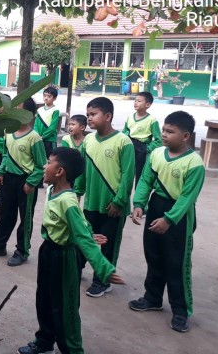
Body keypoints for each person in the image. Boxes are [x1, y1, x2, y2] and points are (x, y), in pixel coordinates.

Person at [17, 147, 124, 354]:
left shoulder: (68, 200)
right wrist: (85, 231)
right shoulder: (51, 190)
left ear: (60, 172)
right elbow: (76, 224)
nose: (44, 166)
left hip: (64, 257)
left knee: (65, 307)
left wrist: (104, 269)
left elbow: (80, 231)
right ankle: (45, 342)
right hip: (47, 250)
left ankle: (73, 350)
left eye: (48, 162)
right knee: (44, 299)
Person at [129, 111, 205, 333]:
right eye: (163, 130)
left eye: (170, 132)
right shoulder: (156, 154)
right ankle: (152, 298)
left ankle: (181, 311)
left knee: (177, 263)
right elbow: (145, 179)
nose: (164, 134)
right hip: (156, 206)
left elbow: (187, 198)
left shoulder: (194, 163)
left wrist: (169, 220)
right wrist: (139, 204)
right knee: (153, 255)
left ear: (185, 136)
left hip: (179, 215)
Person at [74, 97, 134, 298]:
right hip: (92, 202)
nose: (89, 118)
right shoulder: (88, 140)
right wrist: (77, 192)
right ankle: (76, 271)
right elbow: (81, 170)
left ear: (108, 116)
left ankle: (102, 280)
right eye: (88, 114)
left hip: (113, 206)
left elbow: (127, 175)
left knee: (108, 244)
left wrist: (119, 201)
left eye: (93, 114)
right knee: (86, 239)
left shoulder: (123, 141)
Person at [0, 98, 46, 267]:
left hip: (25, 181)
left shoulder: (35, 138)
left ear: (29, 115)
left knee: (25, 218)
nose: (14, 112)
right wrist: (1, 172)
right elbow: (6, 154)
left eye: (19, 110)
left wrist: (31, 182)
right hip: (9, 178)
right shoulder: (8, 133)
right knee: (5, 214)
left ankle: (22, 251)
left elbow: (41, 165)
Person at [122, 91, 162, 187]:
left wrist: (147, 149)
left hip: (142, 148)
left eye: (139, 101)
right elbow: (124, 132)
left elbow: (158, 140)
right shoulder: (130, 117)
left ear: (148, 104)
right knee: (125, 172)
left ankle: (138, 196)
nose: (135, 103)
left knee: (140, 175)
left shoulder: (152, 120)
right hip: (129, 146)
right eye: (135, 100)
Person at [61, 114, 87, 198]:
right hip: (68, 173)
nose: (70, 127)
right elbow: (65, 157)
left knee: (76, 199)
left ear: (82, 127)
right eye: (69, 124)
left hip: (81, 174)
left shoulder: (87, 141)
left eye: (73, 124)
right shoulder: (66, 139)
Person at [33, 86, 60, 159]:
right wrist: (37, 135)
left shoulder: (55, 110)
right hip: (39, 138)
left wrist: (43, 137)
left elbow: (53, 127)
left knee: (50, 158)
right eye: (44, 95)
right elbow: (36, 124)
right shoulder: (39, 110)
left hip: (50, 139)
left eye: (49, 96)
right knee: (39, 158)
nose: (46, 98)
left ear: (54, 98)